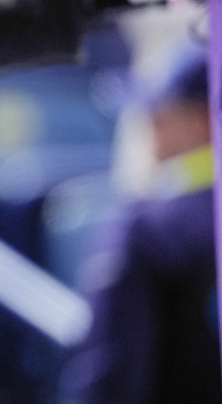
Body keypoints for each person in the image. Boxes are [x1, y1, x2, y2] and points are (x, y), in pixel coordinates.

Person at [60, 52, 220, 404]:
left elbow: (109, 378)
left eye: (160, 113)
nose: (150, 126)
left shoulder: (145, 229)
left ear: (204, 121)